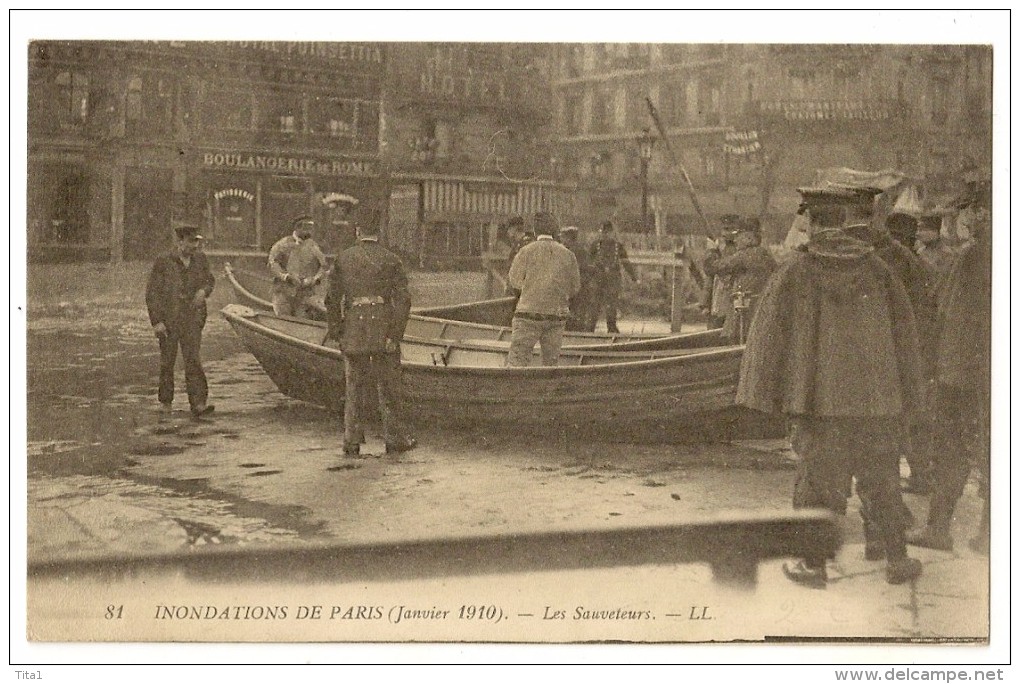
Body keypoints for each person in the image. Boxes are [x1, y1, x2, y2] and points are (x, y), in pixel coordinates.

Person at [736, 186, 925, 588]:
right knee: (883, 479)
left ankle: (813, 566)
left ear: (814, 222)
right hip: (877, 404)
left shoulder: (796, 270)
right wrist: (908, 395)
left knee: (817, 484)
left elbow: (768, 336)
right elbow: (905, 335)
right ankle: (897, 561)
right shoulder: (879, 269)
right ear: (842, 221)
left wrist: (767, 395)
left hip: (818, 405)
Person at [906, 212, 991, 554]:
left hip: (965, 373)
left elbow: (948, 311)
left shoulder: (975, 255)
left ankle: (939, 529)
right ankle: (988, 536)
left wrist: (938, 369)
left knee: (952, 450)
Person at [845, 215, 939, 495]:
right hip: (913, 346)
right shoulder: (908, 258)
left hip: (903, 347)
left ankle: (916, 477)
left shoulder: (893, 259)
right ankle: (919, 474)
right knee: (909, 413)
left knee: (902, 416)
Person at [325, 219, 416, 457]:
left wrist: (337, 331)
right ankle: (395, 439)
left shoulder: (343, 258)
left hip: (354, 327)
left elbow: (331, 299)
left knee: (353, 385)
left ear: (358, 231)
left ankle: (351, 440)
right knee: (389, 387)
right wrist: (395, 334)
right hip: (383, 328)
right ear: (379, 232)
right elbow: (403, 301)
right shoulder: (392, 259)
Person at [145, 223, 216, 418]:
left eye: (197, 242)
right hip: (169, 320)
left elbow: (210, 280)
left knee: (193, 360)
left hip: (193, 318)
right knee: (167, 362)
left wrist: (204, 291)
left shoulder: (200, 259)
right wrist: (157, 322)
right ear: (180, 241)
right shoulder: (163, 261)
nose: (195, 246)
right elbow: (152, 293)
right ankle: (166, 403)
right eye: (192, 242)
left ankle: (198, 403)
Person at [506, 212, 580, 367]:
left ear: (535, 231)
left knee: (517, 361)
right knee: (551, 364)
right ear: (555, 230)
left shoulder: (525, 251)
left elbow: (514, 283)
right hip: (556, 316)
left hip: (528, 315)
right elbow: (574, 288)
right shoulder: (568, 254)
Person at [701, 218, 777, 343]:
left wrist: (711, 250)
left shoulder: (744, 256)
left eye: (738, 236)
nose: (735, 241)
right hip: (761, 318)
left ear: (748, 237)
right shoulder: (766, 256)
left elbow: (712, 267)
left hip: (742, 319)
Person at [268, 215, 328, 318]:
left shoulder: (313, 246)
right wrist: (286, 277)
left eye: (311, 228)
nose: (310, 231)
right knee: (284, 320)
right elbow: (273, 264)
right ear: (297, 228)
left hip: (304, 295)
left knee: (303, 321)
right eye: (307, 228)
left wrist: (314, 279)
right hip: (283, 293)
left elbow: (323, 266)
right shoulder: (282, 245)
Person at [589, 220, 638, 334]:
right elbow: (589, 262)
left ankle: (611, 327)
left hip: (613, 278)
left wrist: (634, 277)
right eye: (603, 232)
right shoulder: (595, 246)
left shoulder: (618, 246)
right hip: (598, 277)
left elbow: (626, 262)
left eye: (607, 232)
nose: (605, 235)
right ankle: (590, 328)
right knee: (595, 303)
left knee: (611, 304)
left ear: (612, 233)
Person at [559, 226, 596, 332]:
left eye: (563, 237)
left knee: (574, 314)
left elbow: (584, 269)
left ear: (569, 238)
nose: (561, 240)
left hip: (577, 288)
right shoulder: (576, 250)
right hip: (576, 288)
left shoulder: (574, 251)